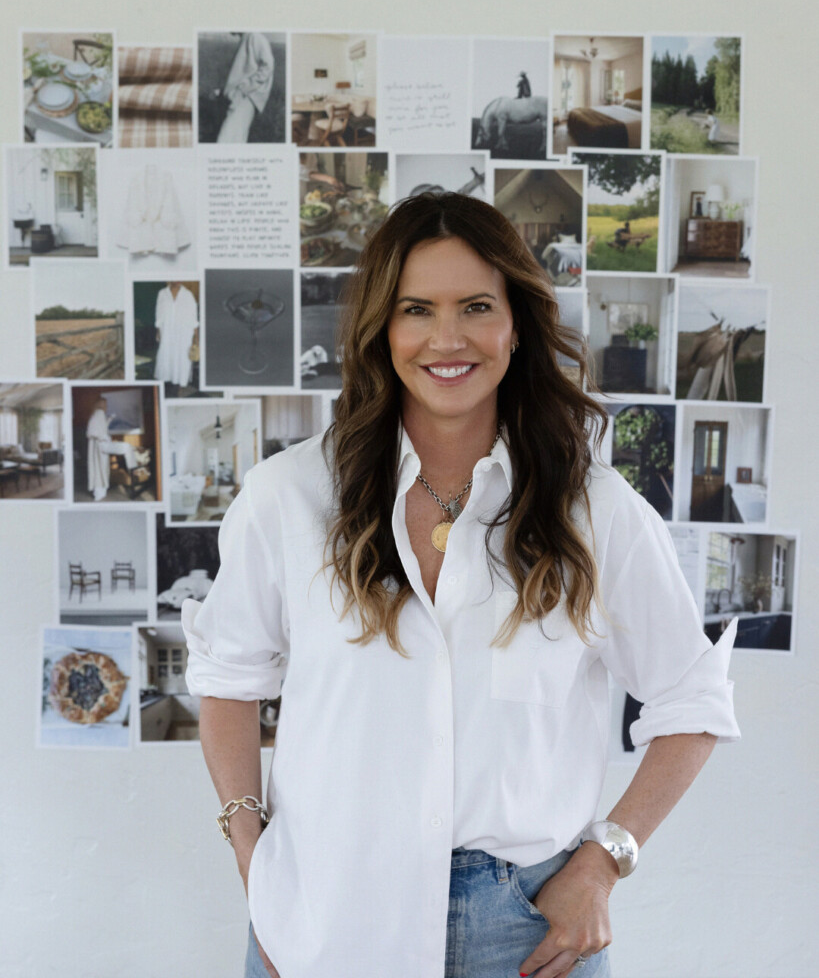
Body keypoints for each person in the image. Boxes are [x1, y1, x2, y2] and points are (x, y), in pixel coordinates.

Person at [183, 192, 739, 978]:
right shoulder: (286, 497)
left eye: (476, 306)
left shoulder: (596, 510)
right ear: (383, 328)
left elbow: (691, 700)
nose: (447, 339)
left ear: (516, 325)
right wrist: (253, 853)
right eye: (417, 309)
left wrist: (604, 860)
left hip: (525, 927)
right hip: (325, 912)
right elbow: (229, 682)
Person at [215, 32, 275, 143]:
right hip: (242, 96)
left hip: (246, 97)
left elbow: (268, 66)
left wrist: (242, 89)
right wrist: (225, 91)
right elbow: (243, 72)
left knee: (226, 140)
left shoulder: (255, 36)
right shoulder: (247, 37)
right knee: (235, 139)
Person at [85, 396, 137, 501]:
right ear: (101, 404)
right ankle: (133, 467)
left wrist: (109, 419)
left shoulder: (100, 414)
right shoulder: (98, 413)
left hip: (102, 445)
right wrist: (102, 437)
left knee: (102, 468)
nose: (107, 406)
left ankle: (101, 491)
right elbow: (90, 432)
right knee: (125, 447)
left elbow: (101, 427)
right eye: (105, 404)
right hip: (101, 445)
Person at [154, 281, 198, 392]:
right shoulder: (162, 293)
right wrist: (158, 330)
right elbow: (159, 313)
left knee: (182, 356)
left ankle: (181, 383)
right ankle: (165, 380)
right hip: (167, 329)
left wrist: (196, 335)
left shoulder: (188, 294)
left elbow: (193, 316)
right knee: (165, 353)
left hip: (184, 331)